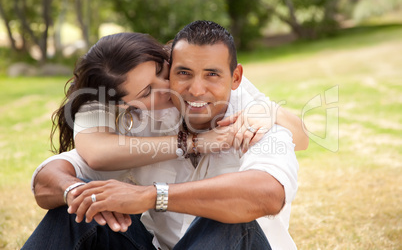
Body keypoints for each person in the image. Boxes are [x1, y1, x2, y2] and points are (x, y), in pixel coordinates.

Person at [24, 21, 302, 249]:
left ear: (235, 77)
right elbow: (56, 174)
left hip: (238, 243)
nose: (193, 88)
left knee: (230, 212)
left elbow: (266, 193)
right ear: (126, 104)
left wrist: (152, 196)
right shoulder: (142, 121)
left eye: (162, 72)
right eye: (182, 74)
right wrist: (76, 192)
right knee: (77, 208)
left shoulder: (252, 116)